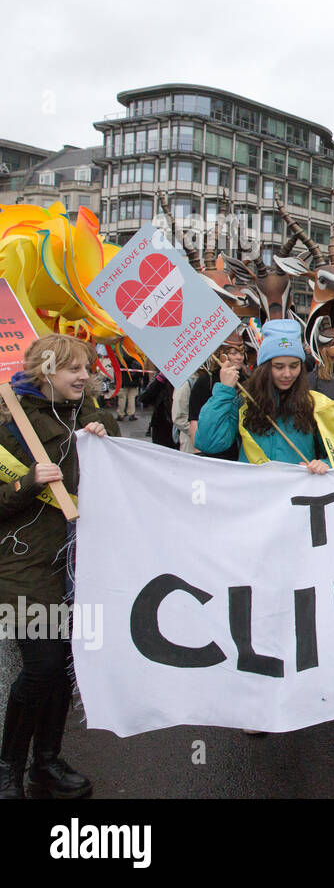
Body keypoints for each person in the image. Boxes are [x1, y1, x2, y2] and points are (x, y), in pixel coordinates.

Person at [1, 335, 117, 799]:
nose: (84, 376)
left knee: (63, 667)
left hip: (79, 565)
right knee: (43, 665)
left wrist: (104, 438)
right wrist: (28, 482)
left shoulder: (89, 417)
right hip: (24, 566)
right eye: (73, 369)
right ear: (45, 372)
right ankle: (8, 765)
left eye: (86, 368)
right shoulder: (10, 427)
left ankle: (46, 763)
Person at [195, 319, 334, 472]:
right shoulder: (243, 401)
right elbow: (209, 443)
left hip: (298, 492)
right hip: (253, 491)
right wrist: (224, 391)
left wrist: (326, 463)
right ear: (264, 368)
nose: (287, 374)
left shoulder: (316, 404)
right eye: (279, 366)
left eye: (294, 366)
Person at [188, 334, 251, 460]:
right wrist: (199, 454)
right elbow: (195, 419)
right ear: (221, 354)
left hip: (241, 450)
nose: (239, 357)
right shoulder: (206, 381)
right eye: (233, 353)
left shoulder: (246, 381)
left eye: (241, 353)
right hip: (215, 452)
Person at [141, 370, 178, 449]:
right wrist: (159, 380)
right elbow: (144, 398)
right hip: (162, 425)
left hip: (179, 427)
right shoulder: (161, 377)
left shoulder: (188, 380)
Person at [116, 348, 144, 421]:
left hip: (123, 380)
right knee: (132, 398)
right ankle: (131, 414)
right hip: (134, 380)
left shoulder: (120, 355)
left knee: (122, 397)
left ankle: (120, 414)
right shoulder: (135, 354)